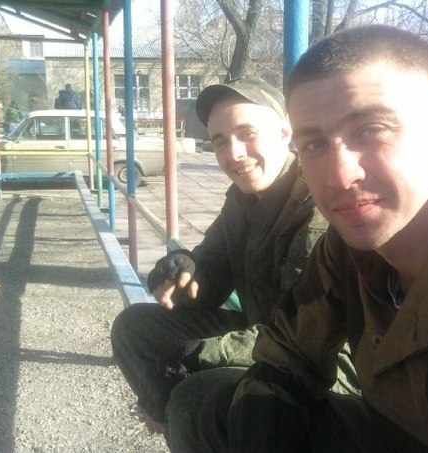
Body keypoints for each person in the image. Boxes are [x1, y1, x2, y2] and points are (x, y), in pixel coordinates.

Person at [197, 25, 428, 453]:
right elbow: (286, 355)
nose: (339, 177)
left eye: (372, 129)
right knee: (214, 408)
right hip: (390, 433)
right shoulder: (350, 245)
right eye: (314, 144)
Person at [110, 77, 358, 451]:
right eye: (221, 141)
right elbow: (210, 275)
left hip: (325, 362)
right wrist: (184, 270)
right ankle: (176, 424)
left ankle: (189, 421)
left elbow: (306, 336)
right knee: (134, 327)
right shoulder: (242, 199)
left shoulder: (316, 206)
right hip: (259, 330)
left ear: (284, 132)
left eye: (247, 134)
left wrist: (200, 354)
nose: (235, 153)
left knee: (194, 397)